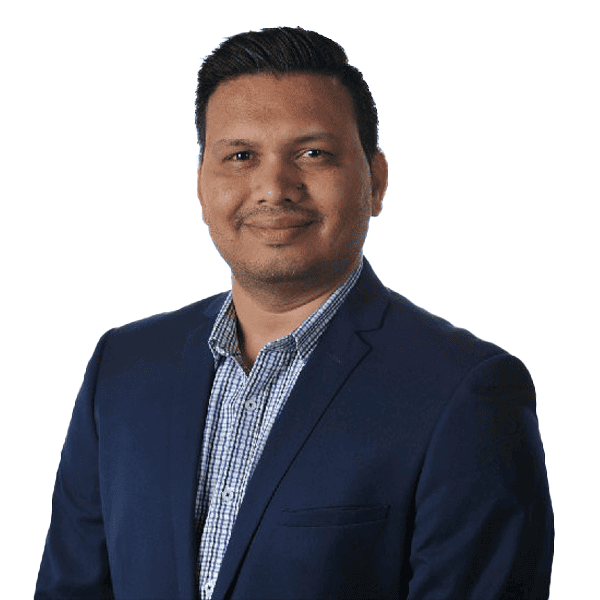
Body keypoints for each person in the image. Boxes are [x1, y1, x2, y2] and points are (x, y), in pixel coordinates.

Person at [35, 26, 553, 600]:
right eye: (240, 156)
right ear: (201, 185)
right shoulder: (123, 368)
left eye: (313, 154)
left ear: (376, 182)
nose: (273, 188)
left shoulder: (465, 392)